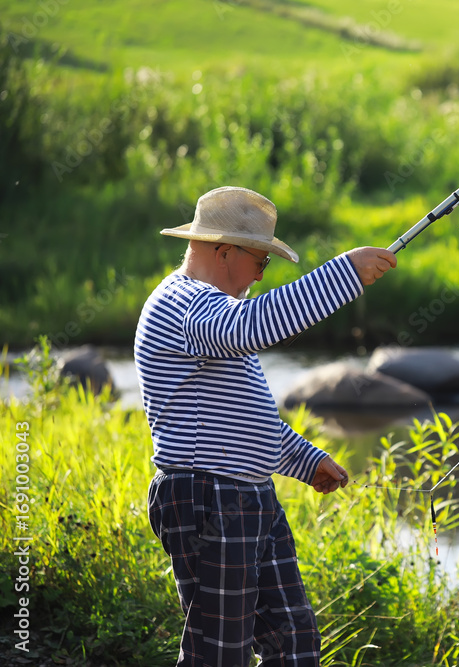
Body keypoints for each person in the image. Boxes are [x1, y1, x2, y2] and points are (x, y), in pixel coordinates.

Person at [136, 186, 396, 666]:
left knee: (294, 642)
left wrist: (307, 461)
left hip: (251, 495)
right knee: (218, 654)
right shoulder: (185, 303)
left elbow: (244, 419)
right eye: (260, 261)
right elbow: (254, 325)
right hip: (208, 496)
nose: (260, 274)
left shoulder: (214, 314)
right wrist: (346, 273)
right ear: (224, 252)